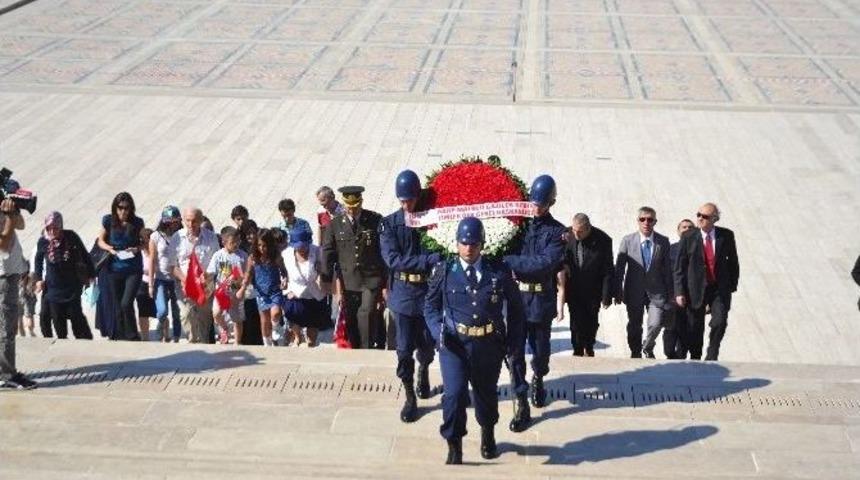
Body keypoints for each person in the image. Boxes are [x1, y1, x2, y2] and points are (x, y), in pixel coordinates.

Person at [424, 217, 526, 464]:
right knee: (454, 395)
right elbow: (430, 305)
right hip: (454, 345)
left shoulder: (498, 272)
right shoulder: (445, 271)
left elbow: (516, 309)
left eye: (474, 243)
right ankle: (454, 442)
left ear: (482, 244)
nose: (469, 248)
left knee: (485, 395)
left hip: (487, 344)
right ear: (456, 243)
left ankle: (488, 433)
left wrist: (514, 344)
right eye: (464, 243)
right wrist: (438, 332)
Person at [502, 175, 566, 426]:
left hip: (540, 300)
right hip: (517, 298)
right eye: (533, 202)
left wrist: (510, 262)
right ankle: (520, 400)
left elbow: (544, 264)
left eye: (542, 203)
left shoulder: (557, 232)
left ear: (552, 203)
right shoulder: (519, 226)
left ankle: (538, 376)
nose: (536, 207)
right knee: (514, 354)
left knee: (540, 352)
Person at [379, 170, 441, 423]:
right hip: (404, 294)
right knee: (403, 350)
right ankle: (409, 397)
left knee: (427, 344)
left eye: (411, 200)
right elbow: (394, 260)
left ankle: (424, 369)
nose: (407, 205)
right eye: (403, 200)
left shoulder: (430, 220)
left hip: (427, 293)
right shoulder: (389, 224)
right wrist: (427, 260)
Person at [320, 186, 387, 349]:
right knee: (351, 318)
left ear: (361, 202)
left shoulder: (375, 220)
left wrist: (386, 282)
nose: (352, 209)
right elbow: (328, 251)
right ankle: (356, 349)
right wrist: (326, 277)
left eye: (355, 205)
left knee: (366, 313)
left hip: (371, 278)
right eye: (349, 206)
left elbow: (383, 251)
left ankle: (367, 349)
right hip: (348, 280)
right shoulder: (335, 224)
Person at [674, 203, 740, 361]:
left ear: (715, 219)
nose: (700, 219)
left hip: (719, 288)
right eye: (698, 215)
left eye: (705, 216)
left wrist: (731, 285)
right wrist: (679, 292)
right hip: (696, 288)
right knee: (695, 326)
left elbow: (733, 262)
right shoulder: (688, 237)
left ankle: (712, 353)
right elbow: (679, 267)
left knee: (719, 321)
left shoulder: (726, 236)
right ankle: (696, 357)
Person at [614, 207, 673, 359]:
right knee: (634, 325)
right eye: (643, 219)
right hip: (634, 290)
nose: (646, 222)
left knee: (656, 322)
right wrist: (617, 290)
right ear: (638, 221)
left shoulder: (663, 241)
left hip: (657, 292)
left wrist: (670, 294)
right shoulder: (628, 240)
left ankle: (647, 346)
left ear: (655, 221)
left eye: (650, 219)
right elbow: (620, 268)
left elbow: (667, 270)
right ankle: (635, 352)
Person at [33, 211, 95, 340]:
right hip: (53, 288)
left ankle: (83, 342)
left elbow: (84, 254)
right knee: (58, 321)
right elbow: (38, 261)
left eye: (55, 228)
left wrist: (91, 274)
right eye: (49, 228)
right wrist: (38, 279)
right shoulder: (43, 241)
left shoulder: (70, 236)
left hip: (72, 287)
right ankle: (62, 343)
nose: (52, 231)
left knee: (76, 317)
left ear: (60, 226)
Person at [563, 213, 613, 356]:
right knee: (575, 321)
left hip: (593, 289)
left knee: (591, 320)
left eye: (579, 231)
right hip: (573, 287)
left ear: (588, 228)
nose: (576, 234)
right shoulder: (566, 235)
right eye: (574, 230)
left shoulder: (603, 240)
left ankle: (589, 346)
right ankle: (577, 349)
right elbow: (560, 256)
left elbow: (608, 269)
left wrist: (606, 295)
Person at [0, 197, 37, 390]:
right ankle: (6, 375)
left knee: (7, 326)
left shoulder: (5, 210)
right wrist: (7, 217)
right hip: (3, 277)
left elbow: (20, 225)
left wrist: (13, 213)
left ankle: (6, 371)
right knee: (7, 328)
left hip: (11, 273)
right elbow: (4, 244)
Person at [97, 192, 145, 341]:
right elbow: (100, 240)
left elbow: (144, 242)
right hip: (114, 267)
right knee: (117, 305)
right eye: (120, 208)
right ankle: (118, 335)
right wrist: (109, 249)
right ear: (115, 208)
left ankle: (132, 335)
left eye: (126, 208)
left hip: (132, 268)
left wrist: (137, 248)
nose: (123, 211)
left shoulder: (137, 223)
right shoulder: (108, 221)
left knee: (126, 302)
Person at [170, 207, 220, 343]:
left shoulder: (211, 237)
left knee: (204, 319)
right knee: (186, 315)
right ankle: (192, 342)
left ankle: (203, 345)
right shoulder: (177, 238)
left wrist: (208, 276)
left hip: (205, 285)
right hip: (184, 285)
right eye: (188, 221)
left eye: (194, 221)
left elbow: (216, 261)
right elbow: (173, 265)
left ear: (200, 220)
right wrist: (185, 279)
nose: (191, 225)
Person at [238, 229, 288, 346]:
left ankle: (275, 327)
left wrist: (285, 280)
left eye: (265, 246)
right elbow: (248, 275)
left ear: (270, 245)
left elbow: (284, 271)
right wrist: (242, 288)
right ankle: (267, 342)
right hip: (261, 292)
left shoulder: (276, 256)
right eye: (259, 245)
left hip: (275, 290)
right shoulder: (253, 258)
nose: (262, 248)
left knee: (275, 313)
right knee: (264, 320)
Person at [282, 229, 330, 347]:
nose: (301, 249)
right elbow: (282, 271)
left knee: (313, 324)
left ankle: (310, 343)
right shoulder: (286, 254)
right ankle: (298, 337)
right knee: (292, 316)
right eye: (298, 247)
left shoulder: (318, 251)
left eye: (304, 246)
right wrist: (285, 283)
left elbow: (327, 271)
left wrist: (321, 272)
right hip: (295, 293)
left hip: (315, 294)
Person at [207, 227, 247, 344]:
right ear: (223, 242)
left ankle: (237, 342)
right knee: (216, 313)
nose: (236, 244)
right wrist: (205, 279)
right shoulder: (218, 255)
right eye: (232, 242)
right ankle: (223, 328)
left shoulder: (243, 256)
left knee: (237, 319)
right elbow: (211, 272)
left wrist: (243, 287)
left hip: (236, 292)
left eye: (238, 241)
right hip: (221, 291)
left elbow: (247, 274)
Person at [148, 206, 182, 343]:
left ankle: (176, 337)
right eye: (171, 221)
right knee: (162, 310)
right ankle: (161, 325)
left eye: (176, 221)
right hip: (161, 278)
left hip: (176, 278)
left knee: (177, 311)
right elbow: (152, 259)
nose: (174, 224)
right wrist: (151, 283)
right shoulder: (156, 236)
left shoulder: (181, 235)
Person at [664, 219, 694, 359]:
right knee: (671, 327)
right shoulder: (670, 249)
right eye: (684, 227)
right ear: (678, 231)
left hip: (692, 298)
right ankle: (670, 354)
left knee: (687, 329)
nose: (687, 229)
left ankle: (681, 356)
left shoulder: (700, 250)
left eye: (690, 227)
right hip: (672, 296)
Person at [238, 220, 262, 345]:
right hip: (246, 287)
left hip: (260, 286)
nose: (251, 236)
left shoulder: (261, 245)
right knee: (246, 316)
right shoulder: (240, 248)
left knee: (258, 317)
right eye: (247, 234)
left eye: (253, 233)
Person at [136, 227, 156, 340]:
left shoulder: (157, 251)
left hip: (156, 282)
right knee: (143, 312)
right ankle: (145, 337)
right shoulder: (139, 253)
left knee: (160, 311)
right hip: (142, 283)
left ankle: (165, 334)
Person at [17, 260, 36, 337]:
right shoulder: (31, 276)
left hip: (18, 297)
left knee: (19, 318)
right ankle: (30, 331)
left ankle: (22, 335)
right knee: (29, 316)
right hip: (27, 298)